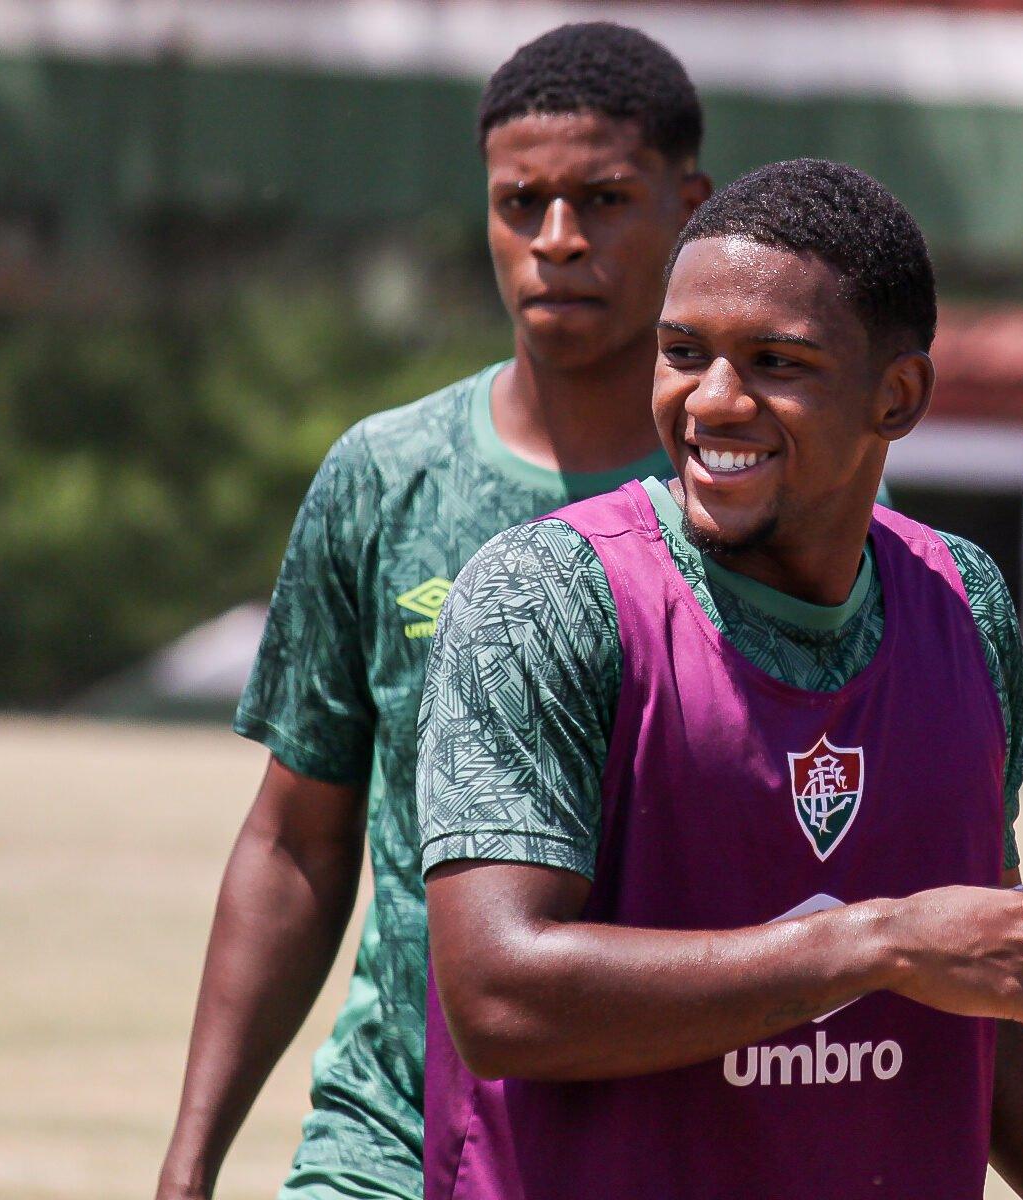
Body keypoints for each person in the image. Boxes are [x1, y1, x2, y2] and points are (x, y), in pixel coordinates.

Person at [418, 159, 1023, 1200]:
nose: (713, 401)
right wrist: (875, 944)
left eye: (776, 360)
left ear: (896, 397)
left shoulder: (964, 603)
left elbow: (984, 994)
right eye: (683, 353)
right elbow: (501, 997)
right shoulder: (543, 596)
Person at [154, 24, 712, 1200]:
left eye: (603, 199)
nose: (558, 241)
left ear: (687, 206)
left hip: (654, 1136)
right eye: (522, 203)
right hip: (393, 1136)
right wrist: (189, 1163)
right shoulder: (384, 475)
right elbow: (297, 840)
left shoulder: (744, 496)